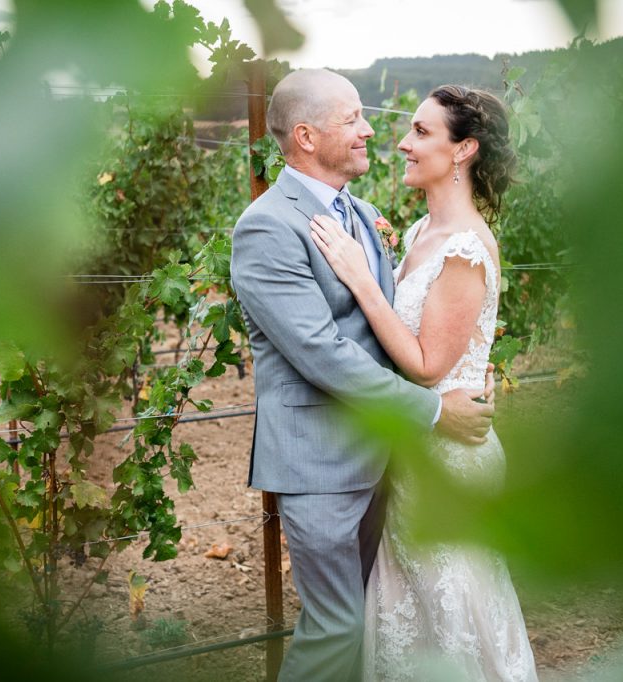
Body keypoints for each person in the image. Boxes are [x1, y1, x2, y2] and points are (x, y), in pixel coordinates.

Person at [230, 69, 496, 682]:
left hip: (383, 456)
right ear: (305, 135)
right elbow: (323, 354)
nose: (370, 130)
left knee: (375, 626)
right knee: (337, 627)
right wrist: (434, 411)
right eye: (352, 119)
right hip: (318, 461)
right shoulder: (267, 226)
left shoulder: (364, 213)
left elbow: (403, 327)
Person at [308, 85, 538, 681]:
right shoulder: (415, 235)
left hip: (450, 456)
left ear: (464, 150)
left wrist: (360, 278)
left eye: (421, 132)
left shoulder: (464, 248)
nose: (404, 144)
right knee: (410, 615)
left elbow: (428, 364)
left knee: (455, 611)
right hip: (416, 450)